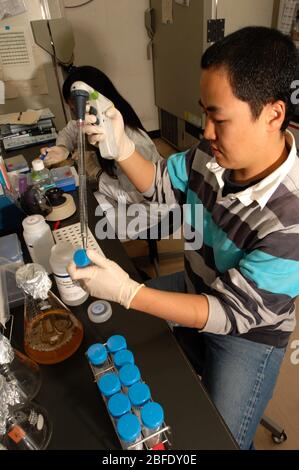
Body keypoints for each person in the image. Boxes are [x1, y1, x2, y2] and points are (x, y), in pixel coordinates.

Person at [68, 27, 299, 449]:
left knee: (214, 441)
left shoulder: (292, 218)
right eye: (204, 113)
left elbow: (226, 313)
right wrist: (122, 150)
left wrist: (129, 290)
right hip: (196, 283)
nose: (206, 131)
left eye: (219, 117)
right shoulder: (214, 152)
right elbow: (162, 185)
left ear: (273, 114)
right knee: (115, 327)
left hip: (245, 335)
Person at [40, 65, 161, 205]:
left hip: (147, 211)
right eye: (73, 110)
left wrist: (96, 172)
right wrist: (62, 147)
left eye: (76, 109)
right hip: (118, 195)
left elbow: (135, 197)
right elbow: (72, 129)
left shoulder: (134, 140)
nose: (77, 116)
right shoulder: (96, 120)